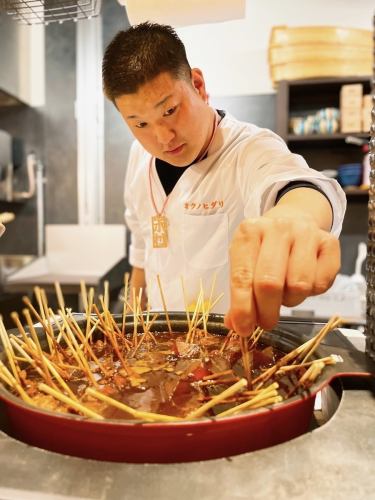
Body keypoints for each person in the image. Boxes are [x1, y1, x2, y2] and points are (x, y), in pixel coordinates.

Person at [102, 22, 346, 337]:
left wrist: (295, 216)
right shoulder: (139, 157)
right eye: (139, 123)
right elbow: (141, 250)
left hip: (231, 350)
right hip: (160, 349)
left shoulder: (248, 148)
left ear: (198, 85)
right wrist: (132, 329)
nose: (163, 137)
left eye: (170, 110)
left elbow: (293, 183)